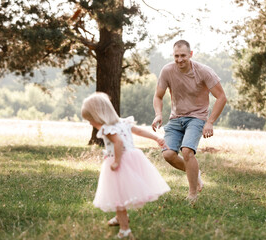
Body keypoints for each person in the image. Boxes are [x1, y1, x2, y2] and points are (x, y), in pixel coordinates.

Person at [82, 92, 170, 239]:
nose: (90, 123)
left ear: (98, 116)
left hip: (120, 162)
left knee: (118, 197)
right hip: (132, 158)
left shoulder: (107, 129)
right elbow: (138, 131)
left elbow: (118, 142)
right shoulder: (123, 122)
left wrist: (116, 161)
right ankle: (119, 218)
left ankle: (125, 230)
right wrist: (156, 138)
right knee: (119, 193)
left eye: (90, 120)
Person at [152, 40, 227, 202]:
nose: (179, 60)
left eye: (183, 56)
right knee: (168, 154)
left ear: (190, 54)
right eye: (176, 56)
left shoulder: (203, 71)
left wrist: (210, 122)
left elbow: (221, 97)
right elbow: (158, 96)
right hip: (175, 118)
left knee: (187, 151)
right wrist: (158, 114)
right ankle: (195, 173)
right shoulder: (167, 71)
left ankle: (192, 194)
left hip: (196, 117)